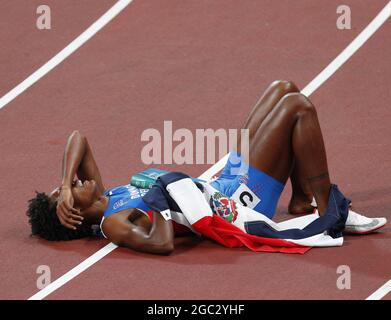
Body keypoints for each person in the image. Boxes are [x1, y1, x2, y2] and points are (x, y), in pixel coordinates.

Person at [26, 80, 387, 255]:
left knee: (283, 88)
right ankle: (329, 213)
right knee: (298, 107)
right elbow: (163, 244)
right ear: (72, 212)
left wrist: (64, 181)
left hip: (220, 183)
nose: (74, 180)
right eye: (67, 190)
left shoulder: (109, 196)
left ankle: (300, 197)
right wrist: (159, 197)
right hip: (238, 205)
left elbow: (79, 138)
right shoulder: (116, 221)